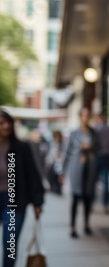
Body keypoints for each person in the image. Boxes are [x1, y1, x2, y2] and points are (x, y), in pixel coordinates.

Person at [0, 109, 44, 267]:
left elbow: (33, 174)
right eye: (1, 123)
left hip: (13, 201)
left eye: (8, 122)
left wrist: (37, 202)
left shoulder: (20, 148)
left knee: (9, 243)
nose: (6, 126)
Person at [61, 107, 100, 238]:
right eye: (84, 115)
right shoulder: (74, 133)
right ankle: (72, 227)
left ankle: (87, 224)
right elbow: (67, 152)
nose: (86, 118)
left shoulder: (94, 133)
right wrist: (62, 172)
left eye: (88, 115)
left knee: (88, 198)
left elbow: (99, 149)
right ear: (80, 117)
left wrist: (91, 148)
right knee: (76, 198)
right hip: (77, 169)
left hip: (90, 169)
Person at [94, 113, 109, 213]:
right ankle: (105, 205)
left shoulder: (96, 130)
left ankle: (92, 203)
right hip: (107, 156)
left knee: (94, 181)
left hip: (98, 156)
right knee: (106, 181)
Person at [45, 130, 64, 195]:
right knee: (49, 175)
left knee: (57, 175)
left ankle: (57, 189)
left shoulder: (61, 144)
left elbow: (62, 154)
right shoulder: (51, 142)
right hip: (50, 161)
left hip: (58, 162)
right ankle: (52, 187)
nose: (56, 138)